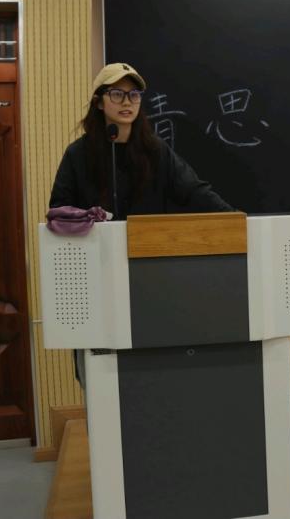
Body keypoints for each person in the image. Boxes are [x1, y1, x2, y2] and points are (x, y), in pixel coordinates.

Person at [49, 62, 236, 387]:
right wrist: (86, 219)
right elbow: (58, 211)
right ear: (99, 102)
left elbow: (194, 191)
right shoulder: (78, 155)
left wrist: (235, 220)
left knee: (149, 372)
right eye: (117, 94)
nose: (127, 102)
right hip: (96, 278)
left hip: (149, 277)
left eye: (134, 95)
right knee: (102, 377)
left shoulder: (155, 151)